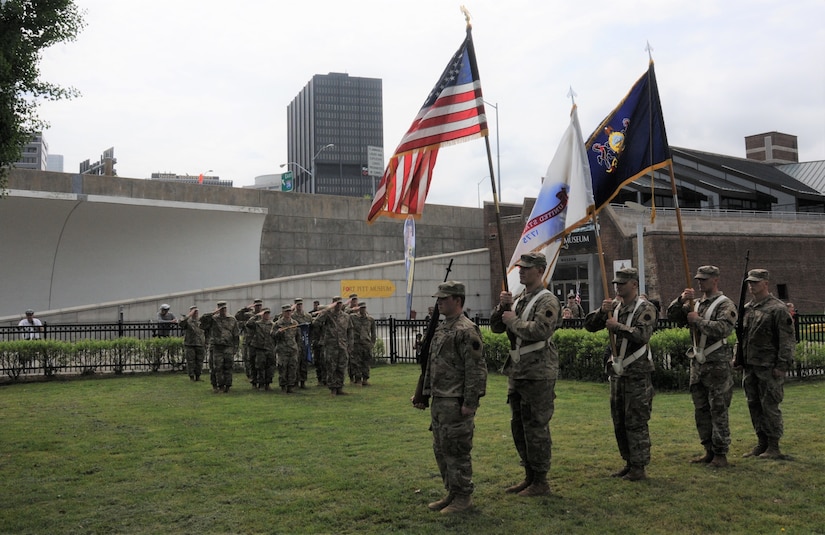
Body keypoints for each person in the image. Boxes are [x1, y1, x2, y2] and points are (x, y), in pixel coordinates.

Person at [490, 252, 561, 497]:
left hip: (538, 372)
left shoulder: (547, 301)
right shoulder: (519, 299)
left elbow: (540, 330)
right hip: (519, 371)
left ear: (540, 270)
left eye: (527, 268)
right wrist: (502, 307)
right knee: (519, 427)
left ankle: (541, 481)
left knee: (536, 427)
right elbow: (496, 327)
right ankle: (529, 476)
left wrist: (513, 321)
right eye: (520, 267)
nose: (521, 271)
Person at [413, 281, 486, 514]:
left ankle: (463, 496)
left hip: (455, 401)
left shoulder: (466, 330)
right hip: (440, 399)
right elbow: (431, 365)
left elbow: (475, 369)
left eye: (444, 298)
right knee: (441, 448)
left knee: (456, 449)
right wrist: (423, 393)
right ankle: (452, 492)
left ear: (458, 300)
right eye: (438, 298)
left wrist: (470, 403)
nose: (439, 302)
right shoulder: (442, 328)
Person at [584, 267, 658, 481]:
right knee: (619, 420)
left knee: (636, 420)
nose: (617, 287)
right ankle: (628, 461)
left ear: (634, 284)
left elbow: (642, 335)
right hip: (618, 374)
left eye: (622, 283)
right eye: (616, 283)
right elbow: (589, 326)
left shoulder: (645, 308)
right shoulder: (614, 307)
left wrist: (618, 327)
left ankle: (639, 465)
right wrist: (601, 311)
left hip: (637, 373)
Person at [666, 265, 737, 468]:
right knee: (701, 409)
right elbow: (673, 316)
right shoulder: (695, 304)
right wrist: (680, 301)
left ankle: (721, 453)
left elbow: (723, 329)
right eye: (698, 279)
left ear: (715, 280)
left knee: (719, 408)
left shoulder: (725, 304)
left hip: (717, 364)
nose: (700, 282)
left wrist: (698, 321)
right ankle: (708, 450)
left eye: (704, 279)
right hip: (698, 364)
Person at [740, 269, 795, 460]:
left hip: (769, 366)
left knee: (769, 405)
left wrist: (782, 364)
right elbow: (742, 337)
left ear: (765, 283)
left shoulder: (777, 309)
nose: (751, 286)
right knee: (754, 404)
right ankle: (761, 442)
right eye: (749, 282)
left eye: (755, 282)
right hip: (751, 365)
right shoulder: (748, 307)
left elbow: (786, 340)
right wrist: (738, 358)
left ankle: (773, 445)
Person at [312, 296, 353, 396]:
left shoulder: (346, 316)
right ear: (333, 304)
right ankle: (333, 389)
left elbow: (350, 331)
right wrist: (326, 310)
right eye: (336, 303)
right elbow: (315, 323)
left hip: (342, 345)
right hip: (331, 346)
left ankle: (340, 387)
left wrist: (350, 345)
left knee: (341, 367)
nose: (338, 305)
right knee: (331, 368)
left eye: (340, 303)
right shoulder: (328, 315)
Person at [204, 301, 240, 393]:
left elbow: (236, 334)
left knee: (228, 366)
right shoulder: (213, 319)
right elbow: (202, 322)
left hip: (228, 346)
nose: (223, 310)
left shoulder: (232, 319)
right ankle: (219, 385)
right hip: (217, 346)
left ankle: (227, 385)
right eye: (221, 309)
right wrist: (212, 313)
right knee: (217, 367)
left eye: (224, 308)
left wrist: (235, 347)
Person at [273, 304, 302, 393]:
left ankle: (290, 386)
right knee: (283, 368)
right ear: (283, 312)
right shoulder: (278, 324)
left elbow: (298, 337)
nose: (288, 313)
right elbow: (272, 336)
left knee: (292, 368)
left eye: (289, 311)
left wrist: (298, 347)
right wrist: (278, 332)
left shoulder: (294, 323)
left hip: (293, 349)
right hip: (282, 350)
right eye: (286, 311)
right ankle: (283, 386)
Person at [246, 307, 276, 391]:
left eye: (268, 313)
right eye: (265, 313)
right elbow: (248, 324)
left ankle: (268, 383)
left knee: (270, 367)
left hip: (270, 348)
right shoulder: (257, 324)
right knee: (260, 367)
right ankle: (261, 384)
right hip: (260, 348)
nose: (266, 315)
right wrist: (256, 315)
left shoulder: (272, 325)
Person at [235, 299, 263, 388]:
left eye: (259, 305)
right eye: (256, 305)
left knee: (259, 361)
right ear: (254, 306)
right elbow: (237, 316)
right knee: (249, 360)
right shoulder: (248, 315)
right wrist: (246, 308)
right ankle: (251, 377)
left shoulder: (263, 314)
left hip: (260, 341)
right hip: (249, 341)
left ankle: (260, 378)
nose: (258, 307)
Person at [350, 302, 376, 386]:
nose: (363, 309)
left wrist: (372, 343)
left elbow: (373, 333)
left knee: (366, 362)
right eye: (361, 308)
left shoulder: (370, 319)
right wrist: (352, 309)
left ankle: (365, 379)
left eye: (364, 308)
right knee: (356, 362)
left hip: (366, 343)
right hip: (356, 343)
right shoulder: (353, 317)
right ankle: (358, 379)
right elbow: (345, 313)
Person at [179, 305, 206, 381]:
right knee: (191, 361)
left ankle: (198, 376)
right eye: (194, 312)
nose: (195, 313)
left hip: (200, 344)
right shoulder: (187, 321)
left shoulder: (200, 320)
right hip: (190, 344)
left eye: (196, 311)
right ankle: (191, 376)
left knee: (200, 361)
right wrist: (189, 315)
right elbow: (181, 323)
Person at [291, 298, 314, 389]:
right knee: (296, 362)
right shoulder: (292, 316)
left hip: (305, 342)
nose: (299, 306)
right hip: (295, 342)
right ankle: (295, 381)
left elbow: (312, 328)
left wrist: (310, 340)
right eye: (297, 304)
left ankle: (303, 381)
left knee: (304, 363)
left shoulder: (307, 316)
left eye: (300, 304)